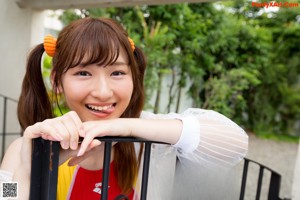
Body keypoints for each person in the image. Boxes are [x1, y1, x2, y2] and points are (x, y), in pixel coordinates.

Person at [0, 17, 248, 200]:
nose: (103, 91)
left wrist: (126, 127)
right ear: (57, 81)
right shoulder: (29, 146)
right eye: (83, 72)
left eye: (117, 72)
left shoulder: (148, 136)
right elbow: (5, 194)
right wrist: (28, 168)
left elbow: (235, 143)